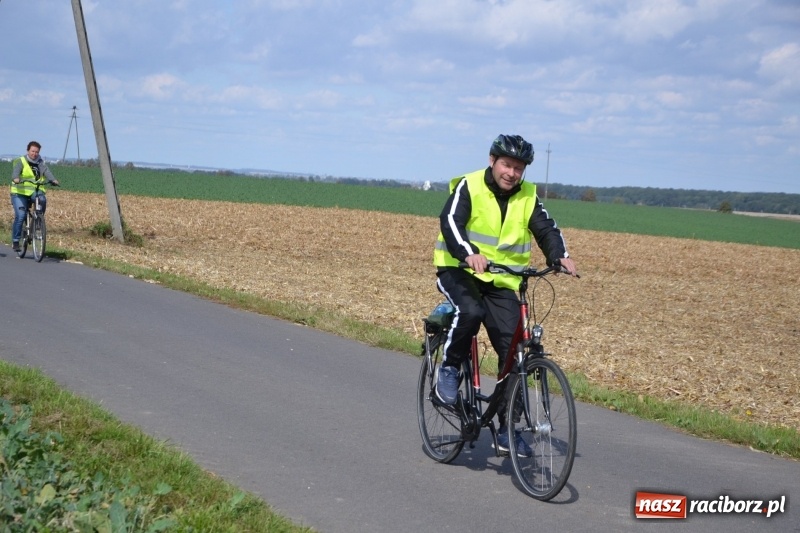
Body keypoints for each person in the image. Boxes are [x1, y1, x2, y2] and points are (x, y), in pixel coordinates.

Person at [432, 133, 578, 457]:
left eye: (518, 168)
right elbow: (450, 222)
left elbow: (546, 229)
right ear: (492, 161)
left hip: (502, 280)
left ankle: (507, 429)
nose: (512, 173)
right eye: (507, 165)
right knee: (470, 312)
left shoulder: (528, 196)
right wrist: (468, 252)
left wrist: (559, 256)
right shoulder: (469, 186)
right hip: (459, 269)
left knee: (515, 351)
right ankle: (450, 369)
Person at [9, 141, 59, 252]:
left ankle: (38, 220)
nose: (34, 154)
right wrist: (16, 178)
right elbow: (15, 173)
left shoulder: (40, 162)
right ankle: (16, 241)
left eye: (37, 152)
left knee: (42, 199)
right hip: (19, 192)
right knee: (21, 216)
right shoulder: (21, 161)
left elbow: (46, 171)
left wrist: (53, 180)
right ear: (28, 151)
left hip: (34, 191)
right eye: (32, 151)